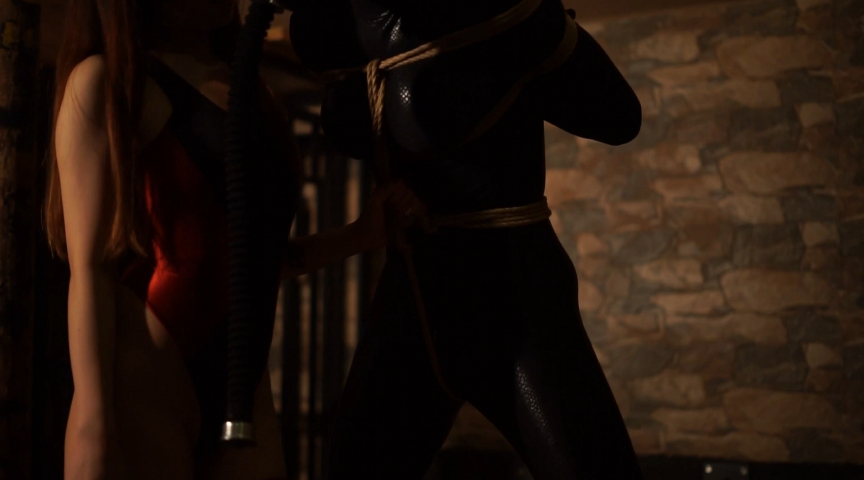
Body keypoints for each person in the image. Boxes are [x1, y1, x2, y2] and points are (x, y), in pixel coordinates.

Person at [43, 0, 422, 478]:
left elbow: (249, 259)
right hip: (148, 382)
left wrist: (358, 236)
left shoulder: (250, 90)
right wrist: (92, 422)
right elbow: (90, 271)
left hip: (245, 390)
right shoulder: (108, 82)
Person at [289, 0, 646, 479]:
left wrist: (539, 32)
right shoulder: (333, 25)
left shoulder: (493, 9)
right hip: (412, 297)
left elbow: (620, 119)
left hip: (515, 305)